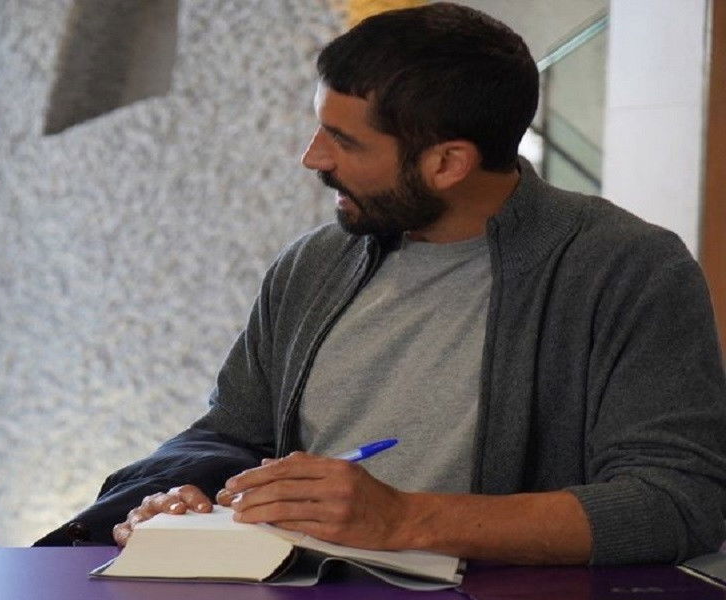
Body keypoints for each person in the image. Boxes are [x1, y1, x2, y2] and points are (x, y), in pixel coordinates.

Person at [36, 3, 726, 565]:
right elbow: (230, 431)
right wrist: (182, 490)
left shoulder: (625, 269)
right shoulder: (313, 265)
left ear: (448, 163)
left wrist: (404, 519)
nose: (312, 158)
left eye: (346, 141)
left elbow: (677, 501)